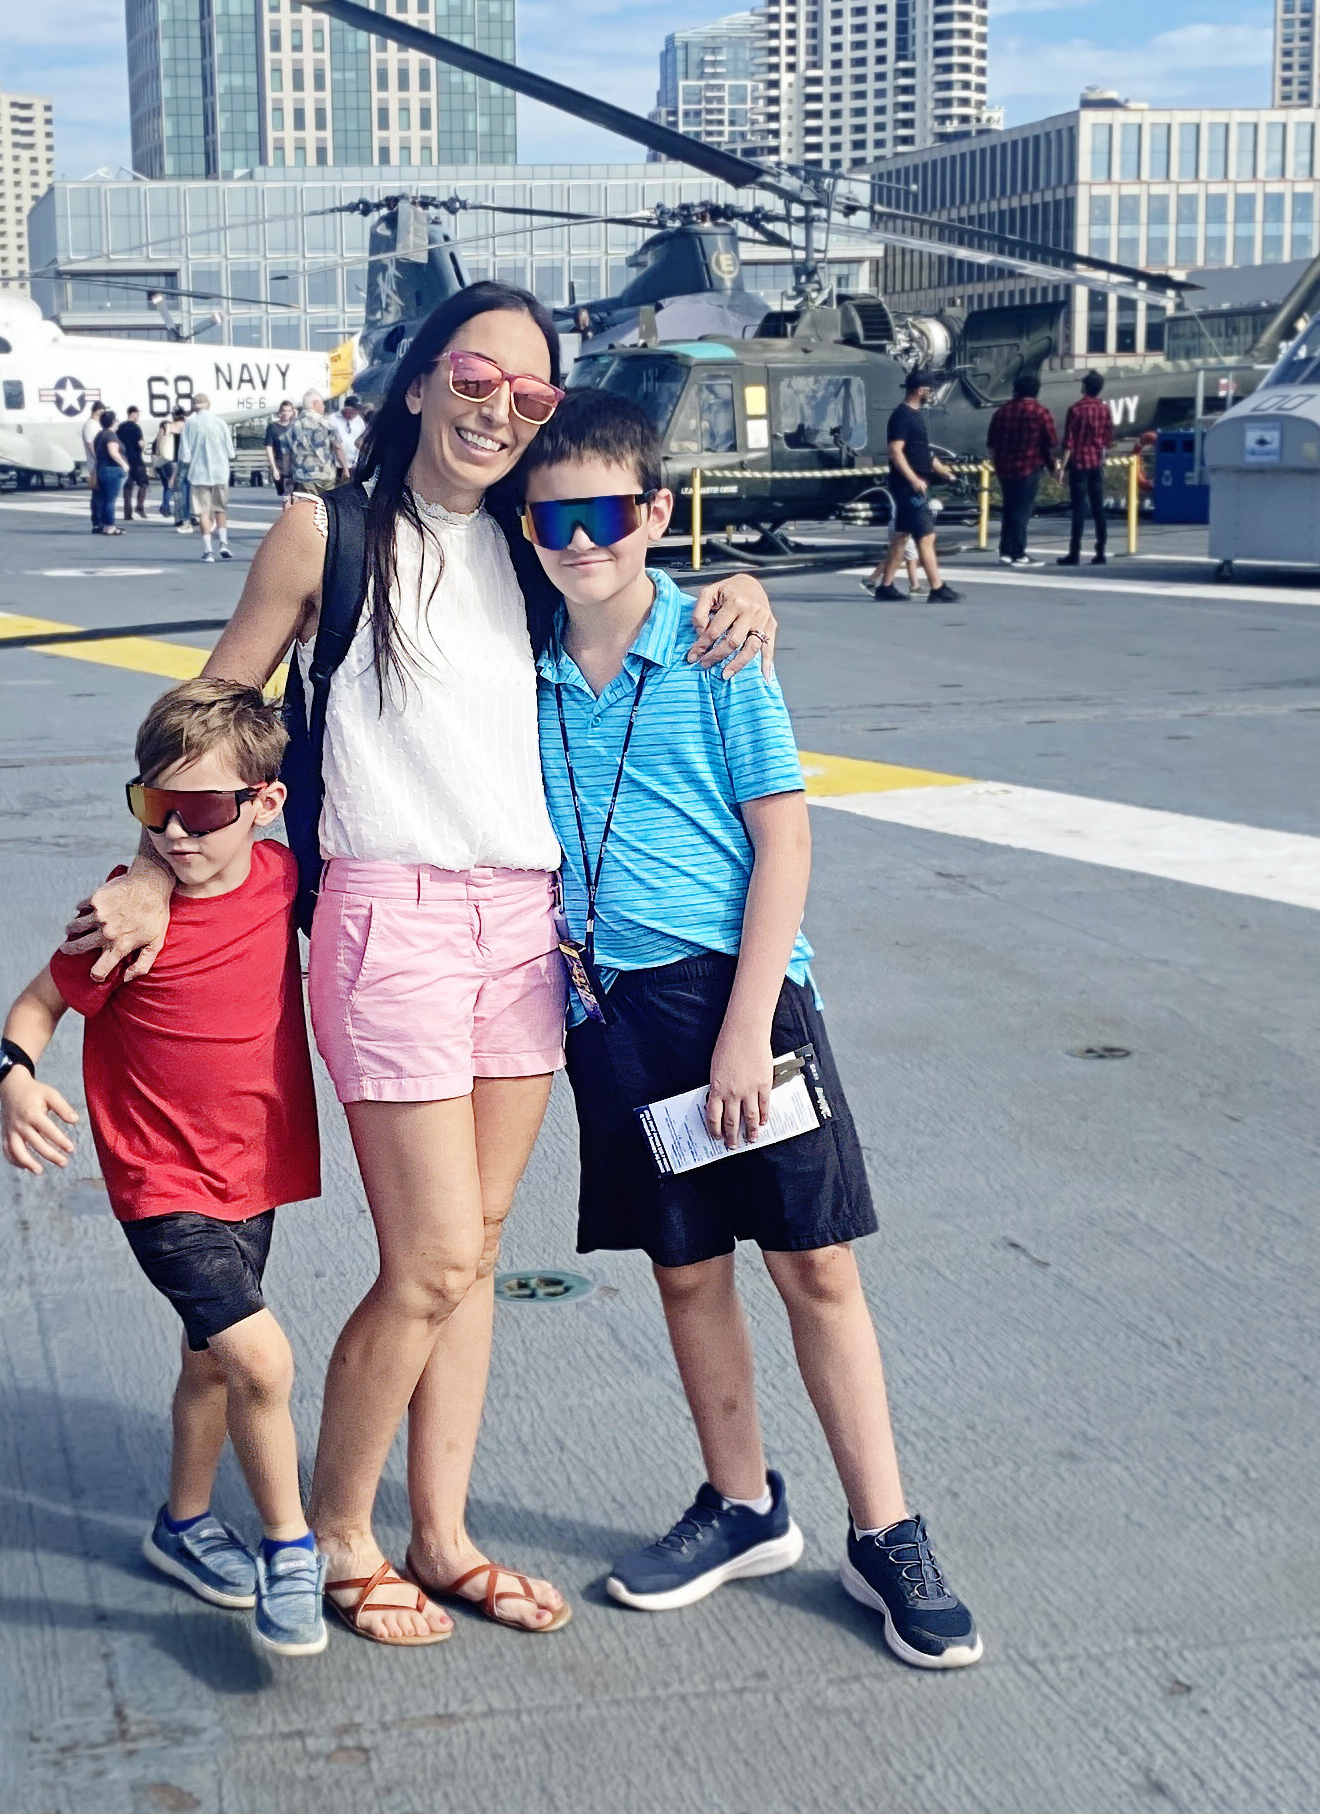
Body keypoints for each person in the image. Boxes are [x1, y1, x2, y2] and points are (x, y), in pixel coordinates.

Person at [67, 281, 779, 1647]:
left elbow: (626, 573)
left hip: (525, 922)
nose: (498, 407)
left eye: (531, 395)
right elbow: (214, 711)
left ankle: (442, 1534)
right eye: (474, 374)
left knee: (480, 1255)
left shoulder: (524, 547)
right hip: (387, 915)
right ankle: (337, 1533)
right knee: (432, 1254)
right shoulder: (324, 533)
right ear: (412, 383)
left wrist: (729, 590)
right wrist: (158, 866)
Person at [517, 387, 984, 1670]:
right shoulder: (528, 663)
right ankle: (741, 1500)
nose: (580, 540)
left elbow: (785, 837)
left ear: (656, 512)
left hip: (743, 993)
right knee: (684, 1268)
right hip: (609, 1008)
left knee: (815, 1262)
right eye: (552, 518)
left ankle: (885, 1530)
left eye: (609, 513)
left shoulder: (719, 649)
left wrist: (741, 1031)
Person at [0, 679, 329, 1658]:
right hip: (160, 1181)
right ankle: (290, 1549)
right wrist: (12, 1077)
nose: (177, 834)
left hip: (252, 1166)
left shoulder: (279, 876)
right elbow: (33, 1008)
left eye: (204, 810)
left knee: (210, 1363)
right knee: (262, 1358)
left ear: (264, 803)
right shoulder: (125, 919)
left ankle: (181, 1524)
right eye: (154, 807)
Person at [865, 373, 960, 605]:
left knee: (902, 536)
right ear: (920, 390)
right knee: (927, 535)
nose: (932, 393)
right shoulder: (903, 416)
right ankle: (937, 588)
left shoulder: (915, 417)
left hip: (912, 484)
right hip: (909, 488)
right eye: (930, 389)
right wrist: (913, 479)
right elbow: (896, 451)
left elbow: (923, 452)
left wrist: (943, 472)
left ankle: (886, 586)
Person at [986, 373, 1056, 567]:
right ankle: (1018, 553)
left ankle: (1005, 551)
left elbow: (991, 443)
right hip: (1029, 467)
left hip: (1004, 468)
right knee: (1022, 512)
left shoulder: (1001, 412)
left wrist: (997, 464)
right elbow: (1050, 441)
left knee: (1009, 509)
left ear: (1015, 390)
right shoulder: (1041, 412)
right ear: (1036, 391)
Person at [1057, 371, 1114, 567]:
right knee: (1099, 509)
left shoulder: (1075, 409)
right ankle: (1101, 552)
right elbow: (1106, 441)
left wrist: (1062, 468)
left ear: (1085, 387)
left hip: (1079, 464)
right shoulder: (1105, 410)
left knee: (1078, 509)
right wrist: (1103, 462)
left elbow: (1069, 442)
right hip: (1096, 465)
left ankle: (1074, 553)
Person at [181, 392, 236, 562]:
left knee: (203, 512)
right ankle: (224, 543)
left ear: (194, 406)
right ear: (209, 404)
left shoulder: (190, 424)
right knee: (220, 509)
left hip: (199, 473)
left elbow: (185, 454)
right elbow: (230, 451)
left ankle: (208, 550)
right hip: (220, 471)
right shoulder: (220, 422)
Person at [88, 406, 124, 535]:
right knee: (110, 500)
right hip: (112, 470)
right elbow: (113, 452)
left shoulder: (100, 434)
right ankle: (110, 526)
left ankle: (103, 524)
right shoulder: (110, 435)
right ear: (113, 422)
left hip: (101, 469)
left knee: (102, 498)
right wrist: (124, 464)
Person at [117, 406, 150, 521]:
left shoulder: (120, 427)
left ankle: (127, 513)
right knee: (143, 484)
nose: (138, 416)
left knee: (127, 487)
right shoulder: (136, 428)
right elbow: (141, 444)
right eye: (137, 414)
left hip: (124, 460)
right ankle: (139, 507)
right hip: (136, 459)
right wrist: (143, 445)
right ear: (132, 413)